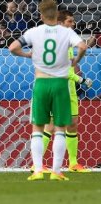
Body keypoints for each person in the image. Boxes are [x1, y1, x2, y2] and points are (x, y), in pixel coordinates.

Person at [9, 0, 87, 181]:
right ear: (56, 13)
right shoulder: (66, 32)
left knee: (38, 128)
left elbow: (12, 47)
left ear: (41, 15)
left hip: (41, 83)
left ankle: (37, 170)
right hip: (60, 84)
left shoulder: (34, 32)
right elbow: (82, 46)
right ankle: (56, 171)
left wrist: (27, 54)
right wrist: (76, 61)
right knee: (60, 128)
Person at [36, 10, 92, 173]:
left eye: (73, 21)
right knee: (50, 127)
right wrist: (81, 80)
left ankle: (73, 163)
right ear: (60, 23)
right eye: (69, 21)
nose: (72, 24)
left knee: (72, 126)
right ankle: (37, 165)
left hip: (70, 92)